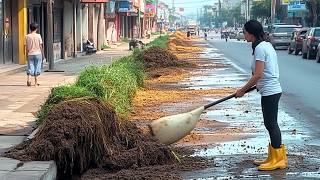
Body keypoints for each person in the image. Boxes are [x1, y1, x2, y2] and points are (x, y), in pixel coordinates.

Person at [235, 20, 287, 171]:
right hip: (269, 90)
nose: (243, 35)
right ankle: (274, 156)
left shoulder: (260, 48)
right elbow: (263, 73)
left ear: (251, 33)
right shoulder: (264, 45)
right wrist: (252, 86)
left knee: (271, 124)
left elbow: (258, 74)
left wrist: (243, 90)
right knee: (270, 124)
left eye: (244, 32)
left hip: (271, 91)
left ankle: (278, 160)